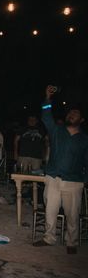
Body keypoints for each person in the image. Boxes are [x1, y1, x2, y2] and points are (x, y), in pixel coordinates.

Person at [33, 86, 88, 254]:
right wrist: (48, 99)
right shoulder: (57, 131)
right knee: (50, 210)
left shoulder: (84, 139)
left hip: (74, 181)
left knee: (72, 214)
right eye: (70, 113)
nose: (71, 115)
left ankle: (71, 241)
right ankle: (49, 238)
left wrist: (85, 180)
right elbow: (46, 115)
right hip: (53, 178)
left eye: (75, 114)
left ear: (82, 120)